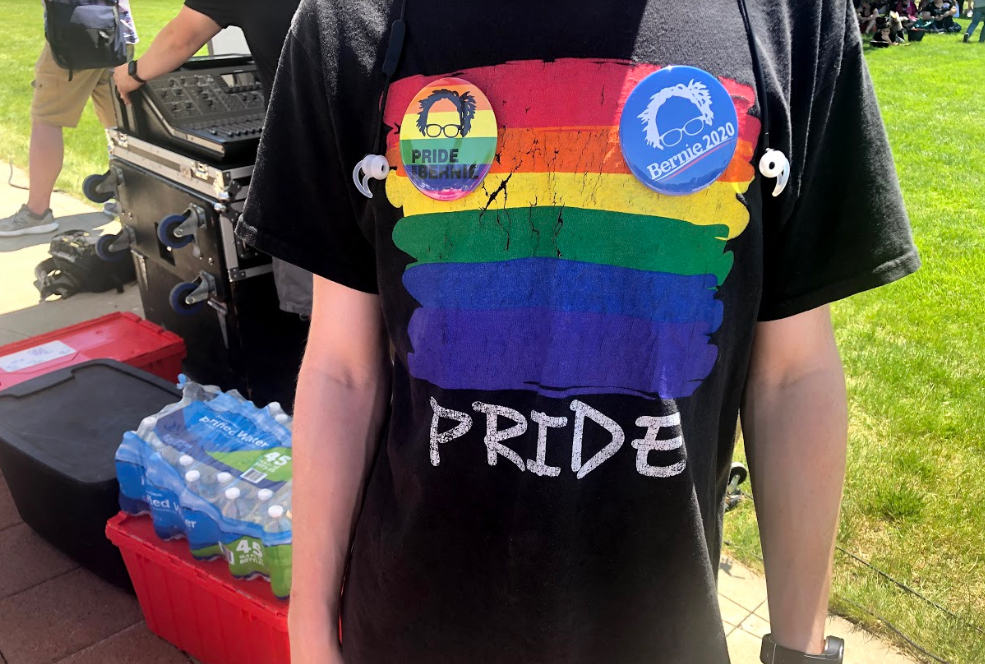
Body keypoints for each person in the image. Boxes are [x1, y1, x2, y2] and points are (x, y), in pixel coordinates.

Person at [238, 0, 921, 662]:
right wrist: (308, 627)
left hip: (661, 632)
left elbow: (791, 374)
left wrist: (800, 652)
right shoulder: (348, 20)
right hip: (406, 627)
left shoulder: (789, 17)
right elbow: (342, 369)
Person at [111, 0, 313, 318]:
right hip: (387, 137)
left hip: (307, 149)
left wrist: (131, 74)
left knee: (326, 302)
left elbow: (182, 37)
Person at [0, 2, 138, 238]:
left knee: (46, 119)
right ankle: (131, 203)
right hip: (118, 31)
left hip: (74, 32)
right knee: (120, 124)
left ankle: (36, 213)